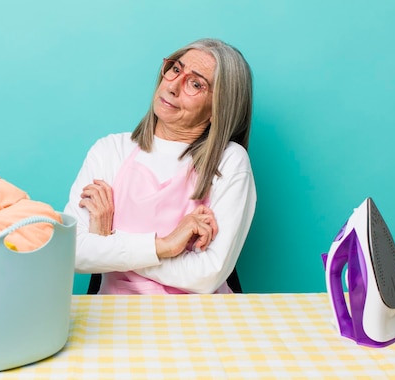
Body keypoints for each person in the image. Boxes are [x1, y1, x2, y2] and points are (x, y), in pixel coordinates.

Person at [64, 38, 256, 294]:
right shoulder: (110, 150)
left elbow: (207, 275)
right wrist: (164, 245)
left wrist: (108, 242)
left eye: (196, 84)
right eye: (176, 69)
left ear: (217, 108)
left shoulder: (230, 161)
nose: (173, 86)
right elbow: (71, 252)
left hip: (201, 321)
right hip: (114, 317)